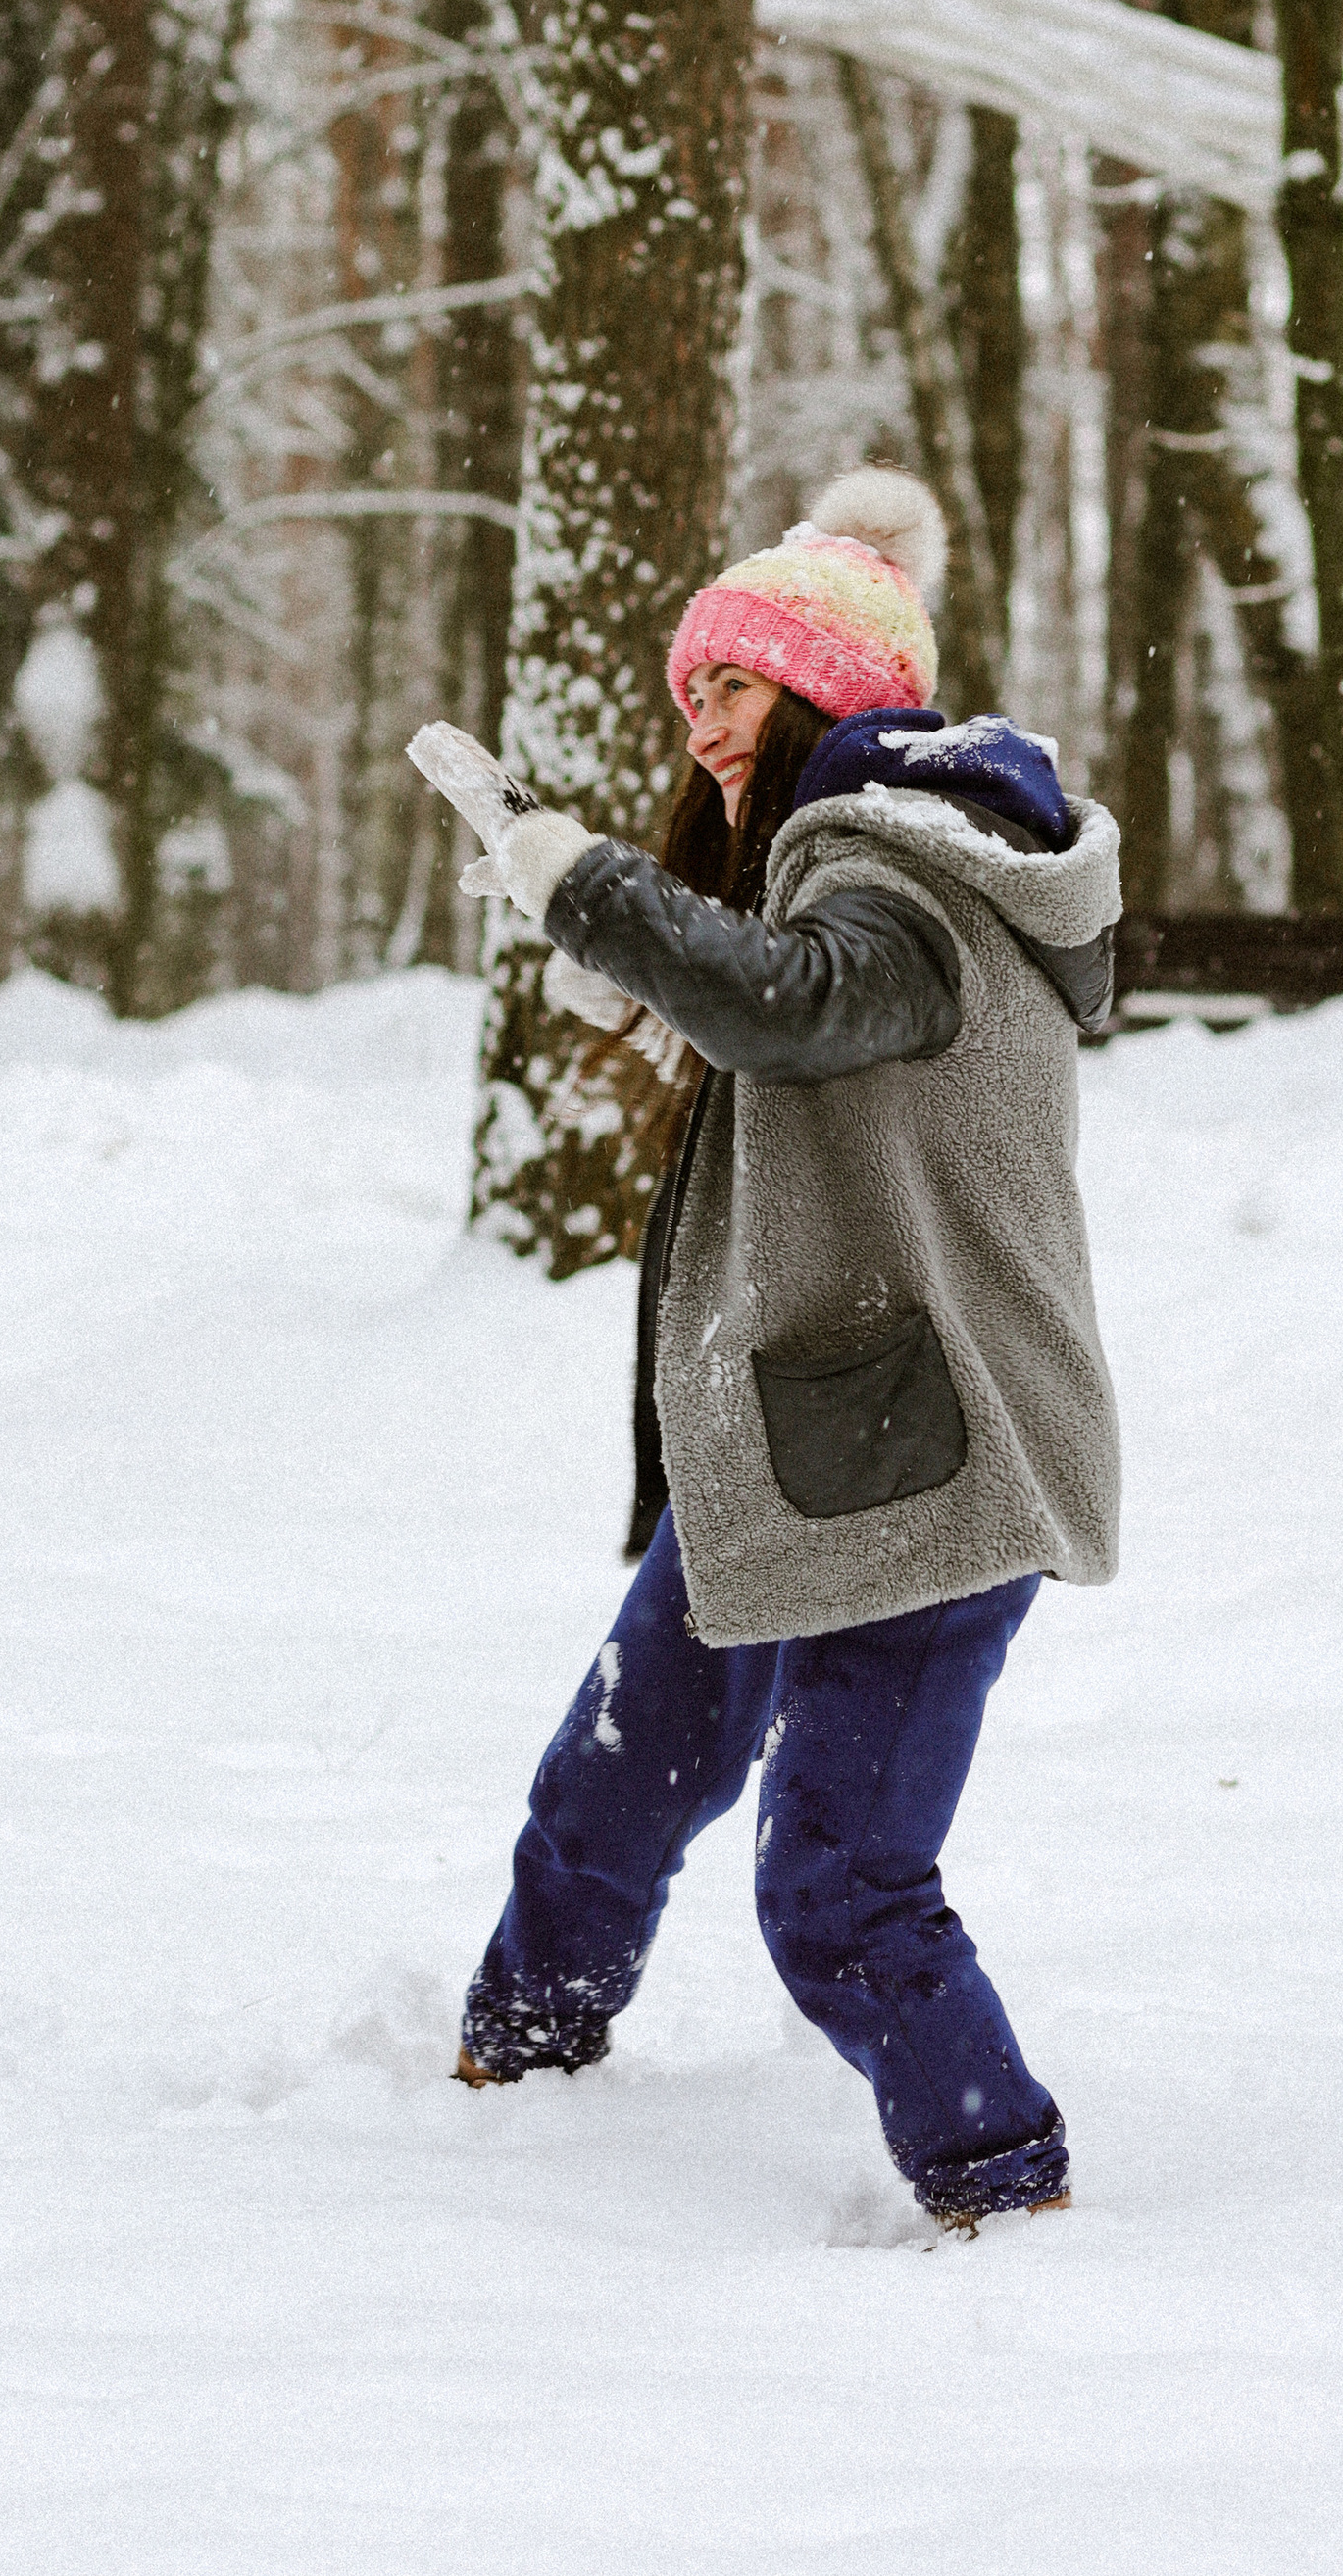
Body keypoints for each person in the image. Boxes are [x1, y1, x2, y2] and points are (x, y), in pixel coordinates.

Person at [408, 470, 1121, 2233]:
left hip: (935, 1465)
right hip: (814, 1427)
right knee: (624, 1760)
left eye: (728, 686)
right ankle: (523, 2047)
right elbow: (808, 1024)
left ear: (820, 690)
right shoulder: (861, 863)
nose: (703, 725)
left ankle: (1000, 2189)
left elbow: (815, 1004)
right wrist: (652, 971)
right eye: (692, 694)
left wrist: (590, 891)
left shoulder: (906, 865)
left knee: (840, 1888)